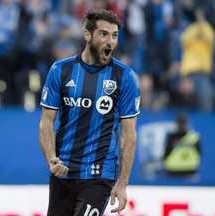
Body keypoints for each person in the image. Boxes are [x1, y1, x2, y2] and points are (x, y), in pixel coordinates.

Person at [39, 9, 140, 216]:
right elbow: (46, 123)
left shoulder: (125, 77)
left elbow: (129, 134)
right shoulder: (60, 70)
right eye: (104, 34)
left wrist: (122, 182)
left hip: (99, 174)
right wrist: (51, 158)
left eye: (114, 36)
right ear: (88, 35)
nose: (110, 42)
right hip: (63, 172)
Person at [163, 112, 201, 177]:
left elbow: (166, 154)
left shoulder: (194, 137)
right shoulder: (171, 138)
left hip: (188, 171)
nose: (181, 125)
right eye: (180, 123)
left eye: (182, 123)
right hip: (174, 171)